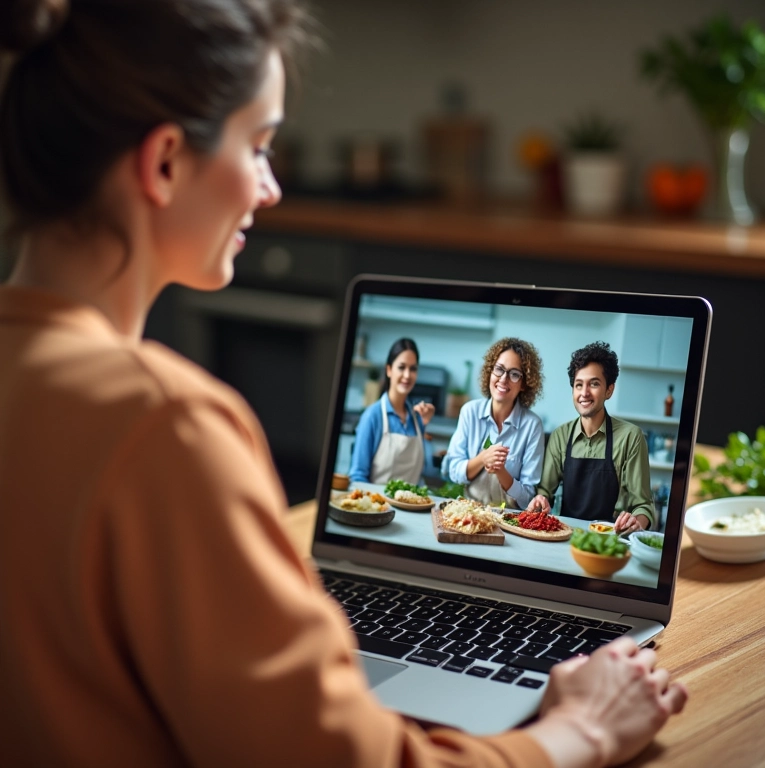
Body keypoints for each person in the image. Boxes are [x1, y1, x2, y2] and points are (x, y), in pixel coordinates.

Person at [0, 2, 687, 766]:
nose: (271, 188)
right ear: (163, 162)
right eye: (259, 147)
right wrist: (579, 733)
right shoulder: (167, 424)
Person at [530, 342, 655, 534]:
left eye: (594, 384)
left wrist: (637, 522)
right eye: (579, 385)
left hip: (613, 540)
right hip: (566, 537)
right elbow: (545, 492)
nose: (584, 393)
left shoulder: (631, 437)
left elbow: (643, 506)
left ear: (609, 390)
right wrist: (540, 500)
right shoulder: (560, 435)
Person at [441, 337, 546, 509]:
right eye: (499, 369)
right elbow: (453, 471)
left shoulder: (532, 426)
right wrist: (483, 458)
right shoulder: (470, 412)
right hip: (468, 512)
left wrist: (501, 471)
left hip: (510, 521)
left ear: (524, 384)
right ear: (490, 372)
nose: (503, 379)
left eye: (514, 374)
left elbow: (527, 498)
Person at [348, 337, 434, 485]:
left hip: (410, 506)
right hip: (376, 505)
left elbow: (424, 470)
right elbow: (357, 476)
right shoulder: (373, 416)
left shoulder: (416, 418)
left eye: (413, 369)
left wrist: (424, 423)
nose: (407, 375)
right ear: (389, 370)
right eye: (401, 367)